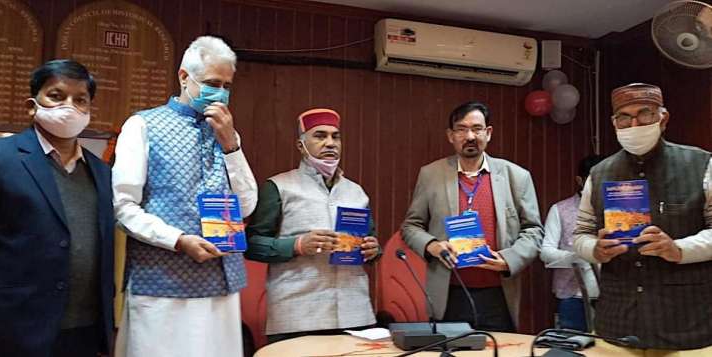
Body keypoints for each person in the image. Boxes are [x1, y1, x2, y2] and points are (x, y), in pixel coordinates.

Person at [112, 36, 257, 357]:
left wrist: (231, 143)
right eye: (211, 83)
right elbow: (123, 207)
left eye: (226, 85)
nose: (219, 93)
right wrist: (179, 240)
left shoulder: (227, 133)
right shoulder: (142, 126)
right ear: (183, 77)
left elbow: (247, 205)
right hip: (163, 285)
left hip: (221, 285)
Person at [574, 83, 712, 351]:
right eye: (624, 117)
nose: (634, 123)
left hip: (686, 324)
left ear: (663, 118)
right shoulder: (600, 172)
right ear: (614, 123)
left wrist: (678, 249)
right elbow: (581, 233)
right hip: (617, 324)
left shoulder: (702, 164)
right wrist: (595, 250)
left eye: (645, 113)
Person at [0, 59, 114, 356]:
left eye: (80, 100)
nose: (69, 107)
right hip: (16, 327)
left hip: (85, 331)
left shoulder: (101, 172)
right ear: (32, 105)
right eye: (57, 96)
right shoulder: (3, 158)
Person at [401, 101, 543, 332]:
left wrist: (510, 259)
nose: (469, 136)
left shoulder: (517, 176)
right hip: (449, 294)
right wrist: (433, 246)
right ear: (450, 135)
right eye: (461, 129)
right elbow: (411, 226)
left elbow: (534, 231)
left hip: (499, 294)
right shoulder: (431, 174)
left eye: (477, 129)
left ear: (488, 133)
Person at [245, 108, 380, 343]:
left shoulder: (356, 192)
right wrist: (297, 245)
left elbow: (372, 244)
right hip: (298, 314)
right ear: (301, 145)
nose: (330, 143)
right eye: (320, 136)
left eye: (335, 136)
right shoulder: (278, 187)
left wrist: (372, 249)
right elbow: (251, 244)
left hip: (355, 312)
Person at [540, 155, 603, 332]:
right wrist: (579, 257)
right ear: (580, 180)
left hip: (613, 295)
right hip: (572, 295)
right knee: (571, 345)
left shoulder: (619, 210)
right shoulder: (560, 209)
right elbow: (546, 252)